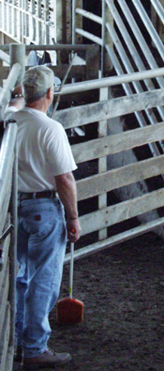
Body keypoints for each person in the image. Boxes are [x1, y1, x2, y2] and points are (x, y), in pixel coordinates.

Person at [5, 65, 81, 369]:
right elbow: (64, 179)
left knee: (19, 277)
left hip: (13, 208)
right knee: (44, 281)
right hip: (44, 211)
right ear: (50, 94)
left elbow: (13, 107)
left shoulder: (11, 120)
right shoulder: (50, 129)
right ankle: (35, 348)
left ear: (24, 92)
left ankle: (17, 342)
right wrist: (73, 217)